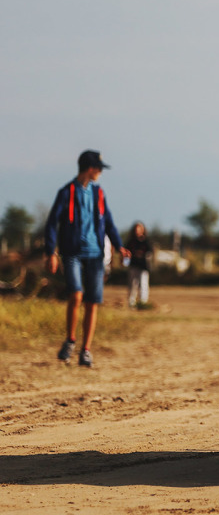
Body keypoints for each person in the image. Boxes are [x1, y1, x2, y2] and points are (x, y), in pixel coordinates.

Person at [43, 150, 130, 367]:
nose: (100, 172)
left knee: (92, 302)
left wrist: (119, 246)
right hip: (72, 253)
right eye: (99, 169)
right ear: (90, 168)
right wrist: (50, 252)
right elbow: (52, 223)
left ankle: (86, 350)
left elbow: (108, 222)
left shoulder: (99, 193)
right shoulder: (66, 192)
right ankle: (71, 340)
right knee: (76, 295)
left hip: (95, 254)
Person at [126, 221, 154, 309]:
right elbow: (126, 252)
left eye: (139, 228)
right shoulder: (131, 241)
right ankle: (131, 302)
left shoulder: (146, 241)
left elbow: (150, 252)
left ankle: (143, 303)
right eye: (136, 228)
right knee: (132, 284)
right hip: (133, 265)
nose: (137, 230)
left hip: (143, 266)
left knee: (143, 284)